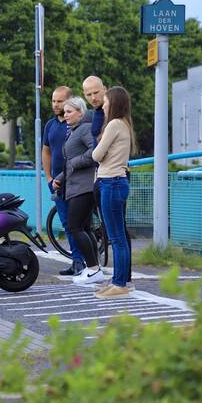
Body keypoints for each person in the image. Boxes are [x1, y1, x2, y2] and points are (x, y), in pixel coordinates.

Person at [51, 97, 105, 285]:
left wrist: (75, 163)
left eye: (69, 111)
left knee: (75, 227)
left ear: (80, 112)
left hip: (84, 187)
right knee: (84, 228)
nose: (65, 115)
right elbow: (70, 161)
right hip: (76, 186)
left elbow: (94, 152)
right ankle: (94, 268)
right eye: (64, 112)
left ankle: (93, 268)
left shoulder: (85, 129)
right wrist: (60, 177)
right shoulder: (74, 130)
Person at [93, 87, 136, 298]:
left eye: (106, 101)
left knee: (116, 237)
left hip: (110, 182)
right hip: (117, 181)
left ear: (115, 103)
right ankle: (120, 281)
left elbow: (96, 154)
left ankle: (119, 285)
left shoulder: (113, 124)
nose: (103, 105)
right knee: (118, 236)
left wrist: (99, 151)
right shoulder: (124, 124)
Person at [42, 85, 85, 276]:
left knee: (79, 224)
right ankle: (77, 261)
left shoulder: (76, 123)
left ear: (70, 100)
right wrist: (48, 177)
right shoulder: (50, 125)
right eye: (53, 101)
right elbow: (46, 151)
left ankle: (88, 261)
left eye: (60, 101)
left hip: (77, 181)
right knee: (67, 223)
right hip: (57, 183)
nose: (55, 104)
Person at [82, 75, 107, 143]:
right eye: (89, 95)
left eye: (96, 93)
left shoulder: (114, 112)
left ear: (104, 89)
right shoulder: (89, 115)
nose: (93, 98)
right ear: (84, 95)